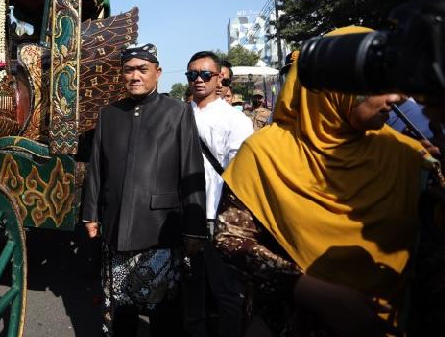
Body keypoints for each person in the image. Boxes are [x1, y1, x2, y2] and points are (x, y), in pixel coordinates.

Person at [214, 27, 436, 336]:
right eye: (380, 85)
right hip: (293, 321)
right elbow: (230, 241)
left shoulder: (407, 154)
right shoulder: (264, 153)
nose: (396, 98)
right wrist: (308, 289)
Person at [82, 43, 208, 336]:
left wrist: (194, 228)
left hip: (160, 230)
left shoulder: (177, 112)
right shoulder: (109, 114)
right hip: (115, 228)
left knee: (164, 315)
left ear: (157, 73)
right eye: (128, 70)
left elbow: (192, 170)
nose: (135, 76)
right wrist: (90, 214)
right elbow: (96, 167)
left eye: (142, 69)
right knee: (121, 313)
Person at [183, 51, 253, 337]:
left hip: (217, 216)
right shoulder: (180, 114)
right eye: (192, 75)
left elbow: (241, 174)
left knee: (225, 291)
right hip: (184, 213)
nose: (198, 80)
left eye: (205, 74)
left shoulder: (236, 121)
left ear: (219, 77)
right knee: (189, 288)